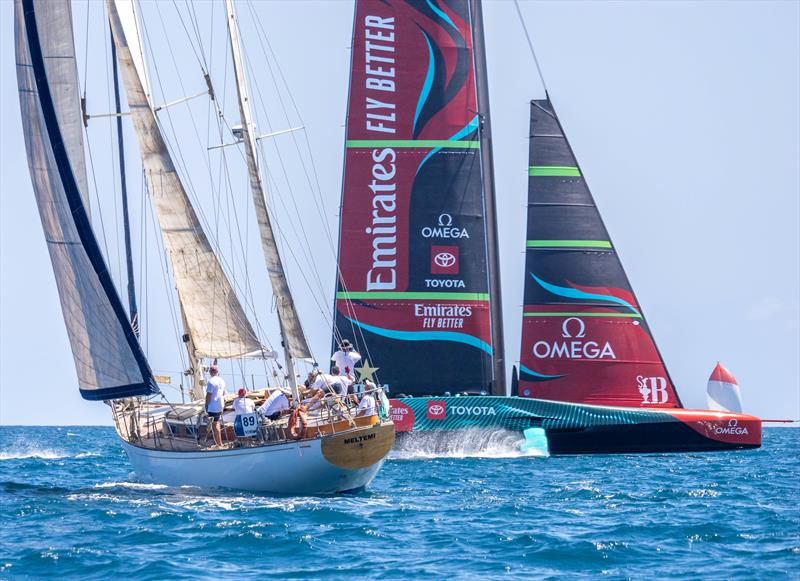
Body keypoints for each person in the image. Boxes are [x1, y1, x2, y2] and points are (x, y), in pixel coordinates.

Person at [204, 365, 226, 447]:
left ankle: (219, 444)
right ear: (217, 372)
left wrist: (206, 405)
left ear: (210, 372)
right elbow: (223, 393)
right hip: (220, 405)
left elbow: (208, 395)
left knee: (214, 425)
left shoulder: (211, 381)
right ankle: (219, 442)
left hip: (213, 406)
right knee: (217, 423)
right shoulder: (222, 380)